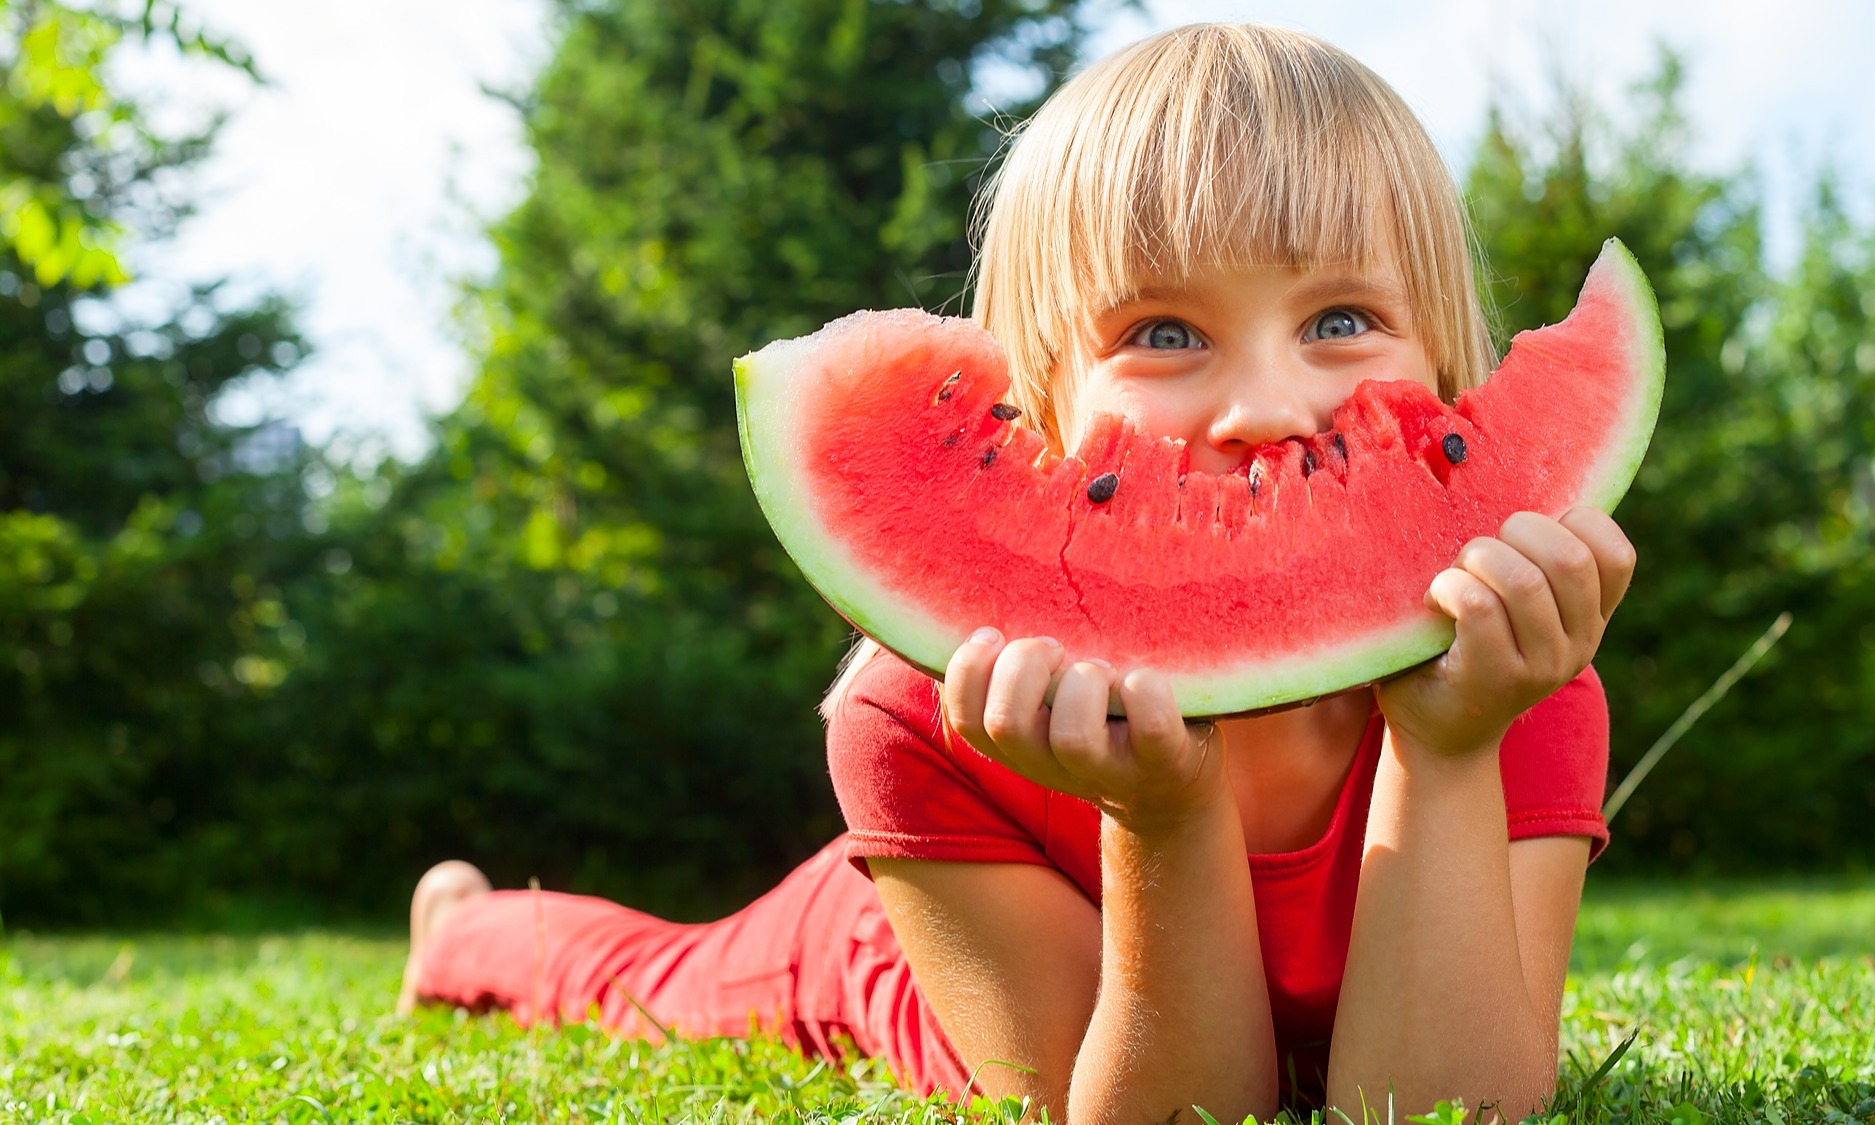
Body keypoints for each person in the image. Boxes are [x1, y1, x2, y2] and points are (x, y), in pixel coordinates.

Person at [399, 23, 1634, 1124]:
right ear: (1025, 408)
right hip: (877, 949)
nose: (1267, 405)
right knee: (645, 981)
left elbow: (1441, 1109)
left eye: (1339, 321)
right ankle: (463, 928)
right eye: (1162, 334)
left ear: (1447, 359)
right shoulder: (915, 720)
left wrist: (1450, 750)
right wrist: (1158, 815)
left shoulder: (1512, 678)